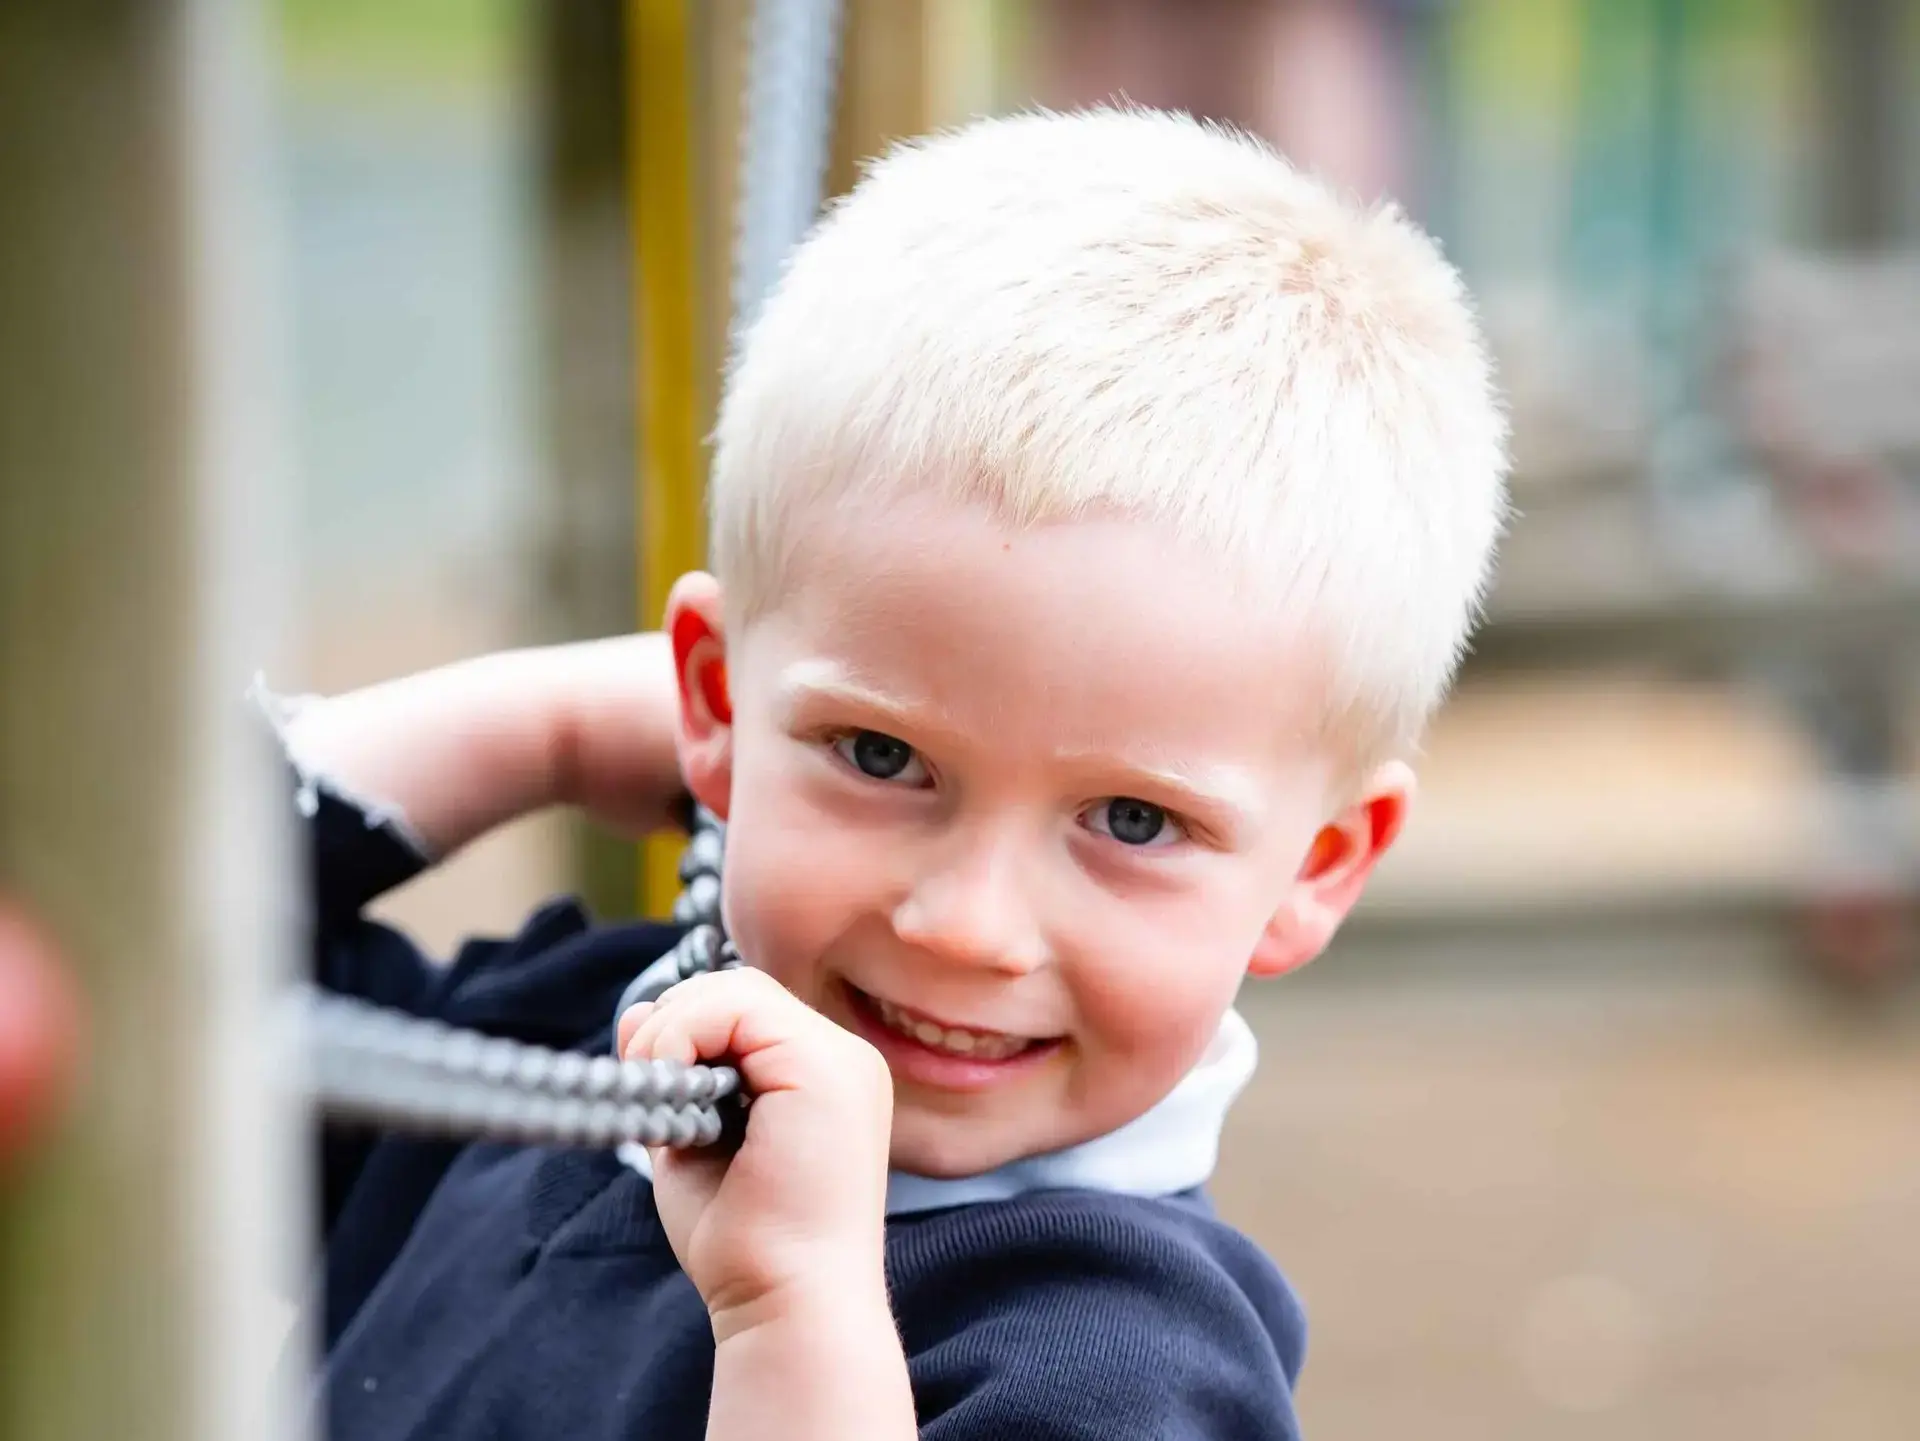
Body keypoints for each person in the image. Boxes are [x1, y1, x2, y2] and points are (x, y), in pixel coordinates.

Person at [284, 107, 1507, 1440]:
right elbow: (139, 961)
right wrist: (564, 722)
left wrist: (792, 1310)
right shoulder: (566, 1054)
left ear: (1317, 867)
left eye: (1135, 820)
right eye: (882, 755)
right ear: (714, 701)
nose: (966, 927)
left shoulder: (1118, 1372)